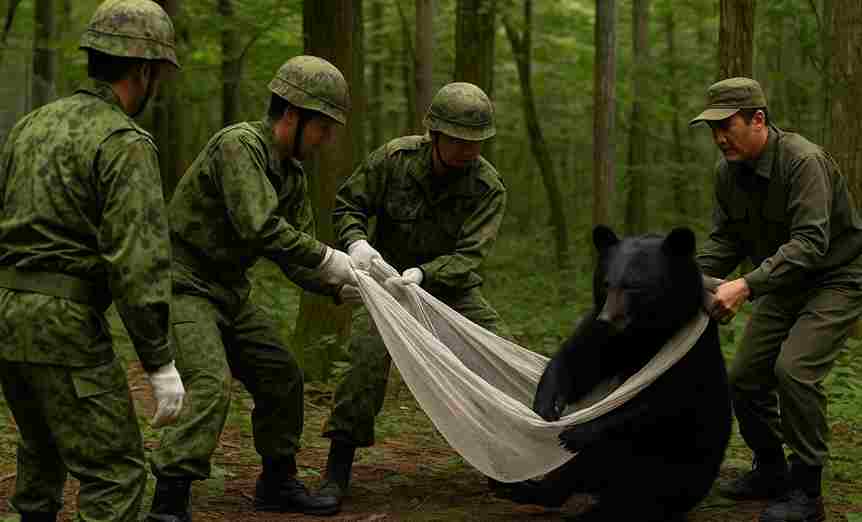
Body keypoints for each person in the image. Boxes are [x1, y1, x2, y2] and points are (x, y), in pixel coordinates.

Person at [145, 55, 358, 521]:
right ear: (293, 115)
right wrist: (328, 259)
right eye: (323, 127)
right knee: (209, 383)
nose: (326, 140)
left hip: (230, 293)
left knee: (282, 375)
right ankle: (169, 503)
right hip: (184, 286)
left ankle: (277, 484)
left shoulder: (292, 174)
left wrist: (343, 285)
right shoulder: (239, 146)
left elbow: (295, 255)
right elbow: (259, 226)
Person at [0, 1, 186, 521]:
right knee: (116, 473)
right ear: (144, 70)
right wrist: (159, 361)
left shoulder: (30, 126)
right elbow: (138, 261)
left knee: (42, 452)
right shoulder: (124, 141)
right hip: (63, 326)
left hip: (6, 317)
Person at [319, 82, 513, 506]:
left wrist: (425, 274)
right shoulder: (395, 159)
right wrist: (356, 243)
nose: (469, 150)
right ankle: (336, 470)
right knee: (364, 365)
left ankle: (506, 465)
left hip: (451, 289)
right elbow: (349, 205)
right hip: (387, 285)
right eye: (459, 140)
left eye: (477, 142)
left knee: (500, 359)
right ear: (435, 134)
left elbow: (469, 256)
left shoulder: (487, 186)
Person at [692, 77, 862, 522]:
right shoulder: (727, 173)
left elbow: (810, 244)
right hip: (780, 283)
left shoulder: (803, 162)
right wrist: (686, 276)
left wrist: (744, 286)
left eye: (726, 126)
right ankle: (770, 469)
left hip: (836, 278)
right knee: (745, 377)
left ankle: (807, 492)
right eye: (712, 129)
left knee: (794, 371)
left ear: (758, 120)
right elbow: (726, 240)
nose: (719, 138)